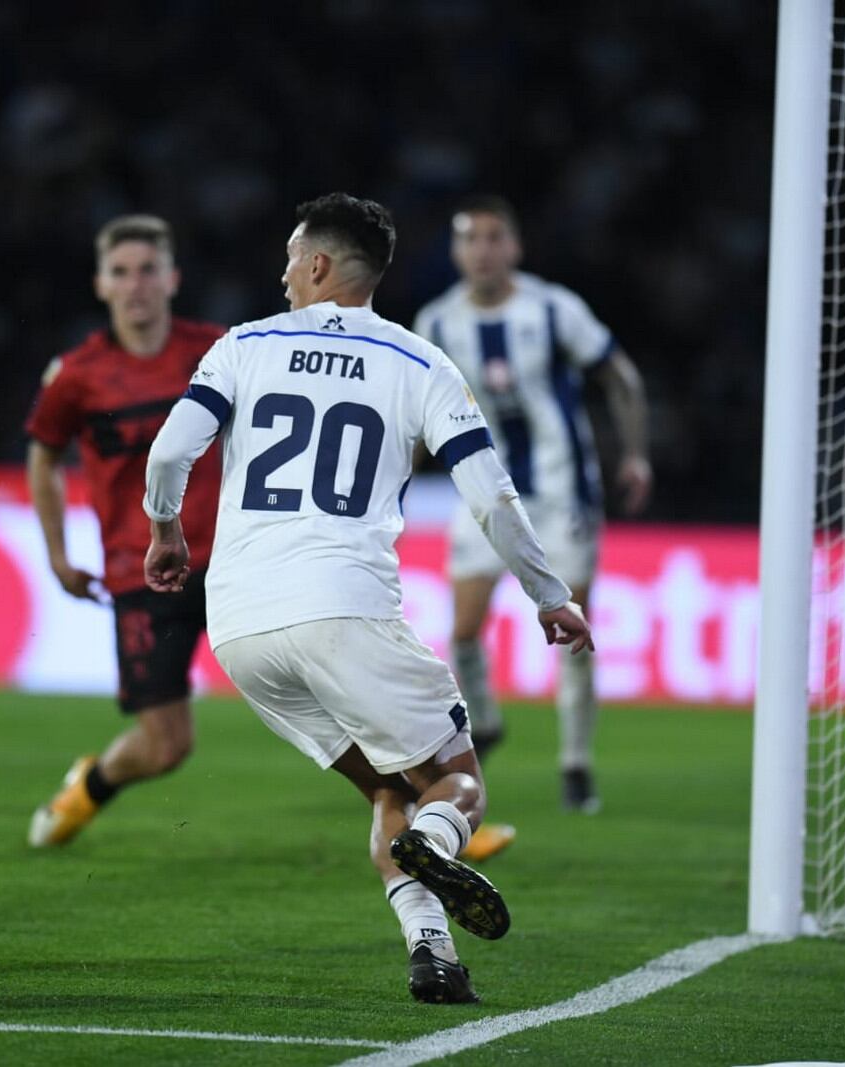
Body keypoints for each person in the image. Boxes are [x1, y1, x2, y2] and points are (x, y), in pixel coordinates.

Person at [142, 193, 592, 1003]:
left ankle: (434, 951)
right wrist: (548, 592)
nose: (282, 275)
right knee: (457, 784)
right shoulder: (421, 363)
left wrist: (165, 531)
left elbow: (174, 447)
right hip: (342, 608)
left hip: (240, 627)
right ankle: (436, 842)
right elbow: (490, 496)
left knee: (391, 785)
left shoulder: (244, 345)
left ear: (318, 264)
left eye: (290, 258)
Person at [414, 196, 650, 840]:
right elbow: (411, 411)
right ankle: (485, 721)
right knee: (463, 629)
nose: (483, 250)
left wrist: (634, 453)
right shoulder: (436, 322)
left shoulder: (552, 308)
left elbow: (618, 376)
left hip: (562, 495)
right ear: (457, 251)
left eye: (495, 237)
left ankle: (575, 762)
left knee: (574, 626)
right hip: (484, 494)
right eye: (470, 239)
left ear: (514, 247)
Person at [25, 215, 225, 848]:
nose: (135, 284)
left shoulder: (220, 351)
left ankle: (427, 816)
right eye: (121, 272)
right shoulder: (78, 375)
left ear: (172, 278)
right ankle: (92, 786)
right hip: (142, 573)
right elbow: (44, 457)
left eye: (147, 270)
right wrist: (58, 555)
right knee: (167, 747)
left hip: (234, 562)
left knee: (324, 686)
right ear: (100, 285)